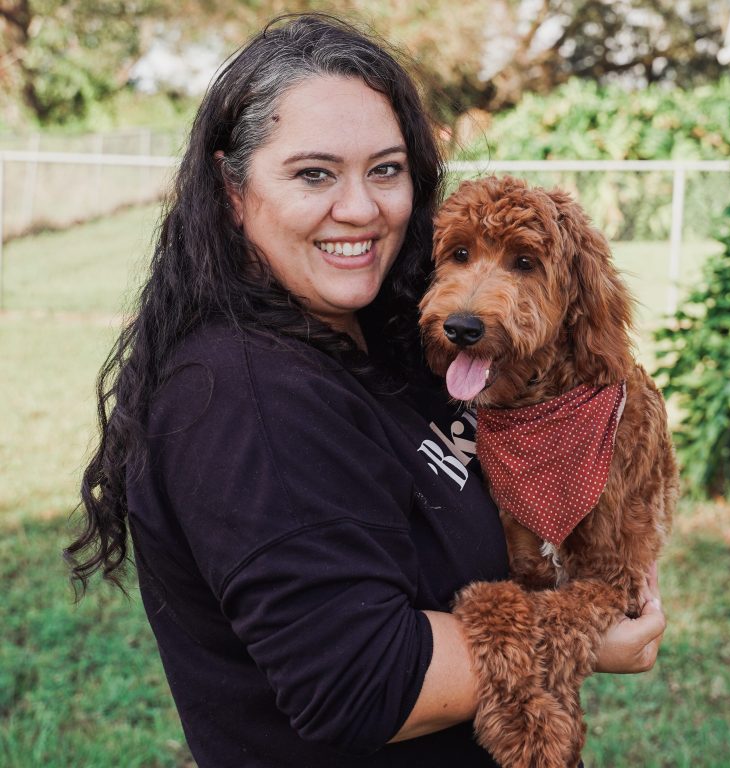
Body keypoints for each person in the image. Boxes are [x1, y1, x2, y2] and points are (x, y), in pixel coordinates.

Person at [66, 13, 666, 768]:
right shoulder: (243, 400)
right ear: (230, 189)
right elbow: (362, 680)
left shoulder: (387, 335)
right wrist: (584, 637)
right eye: (314, 174)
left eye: (385, 170)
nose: (361, 208)